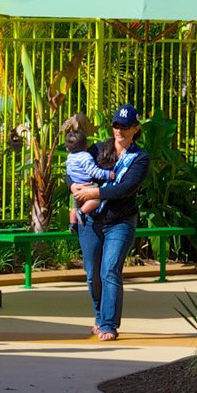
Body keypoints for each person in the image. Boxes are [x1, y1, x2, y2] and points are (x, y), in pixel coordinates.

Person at [70, 105, 149, 342]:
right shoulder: (97, 150)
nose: (119, 130)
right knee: (93, 274)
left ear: (135, 129)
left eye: (125, 126)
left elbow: (126, 188)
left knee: (110, 270)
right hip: (91, 221)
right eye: (116, 125)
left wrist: (94, 193)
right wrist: (73, 186)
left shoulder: (140, 158)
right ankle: (99, 315)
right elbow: (74, 167)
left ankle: (109, 324)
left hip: (120, 222)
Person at [63, 120, 109, 225]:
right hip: (88, 184)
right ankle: (82, 212)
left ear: (67, 148)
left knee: (74, 206)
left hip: (76, 186)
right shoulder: (86, 156)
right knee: (97, 200)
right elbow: (93, 172)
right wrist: (106, 174)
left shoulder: (70, 157)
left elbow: (69, 171)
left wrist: (73, 185)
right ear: (86, 145)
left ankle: (73, 224)